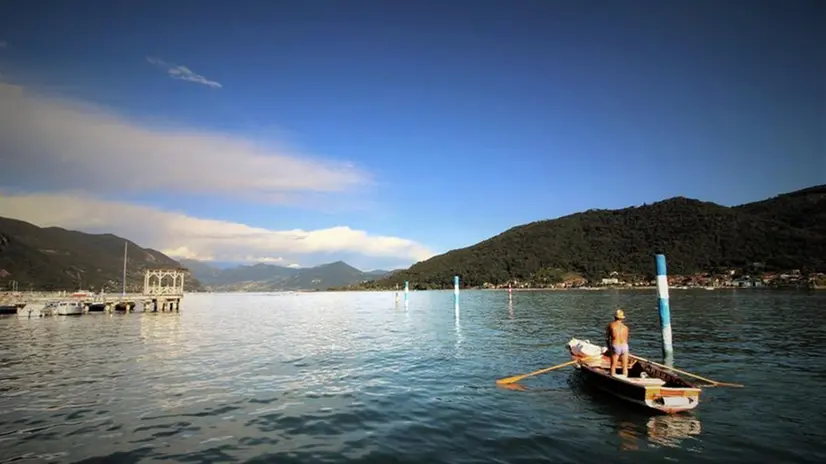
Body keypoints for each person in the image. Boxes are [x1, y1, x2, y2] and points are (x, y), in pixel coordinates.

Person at [605, 308, 630, 377]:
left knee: (613, 366)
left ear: (615, 317)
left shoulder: (611, 325)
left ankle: (612, 380)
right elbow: (626, 338)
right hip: (625, 346)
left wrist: (609, 348)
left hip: (616, 346)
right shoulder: (625, 327)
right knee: (625, 367)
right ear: (622, 318)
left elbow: (607, 338)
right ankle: (626, 381)